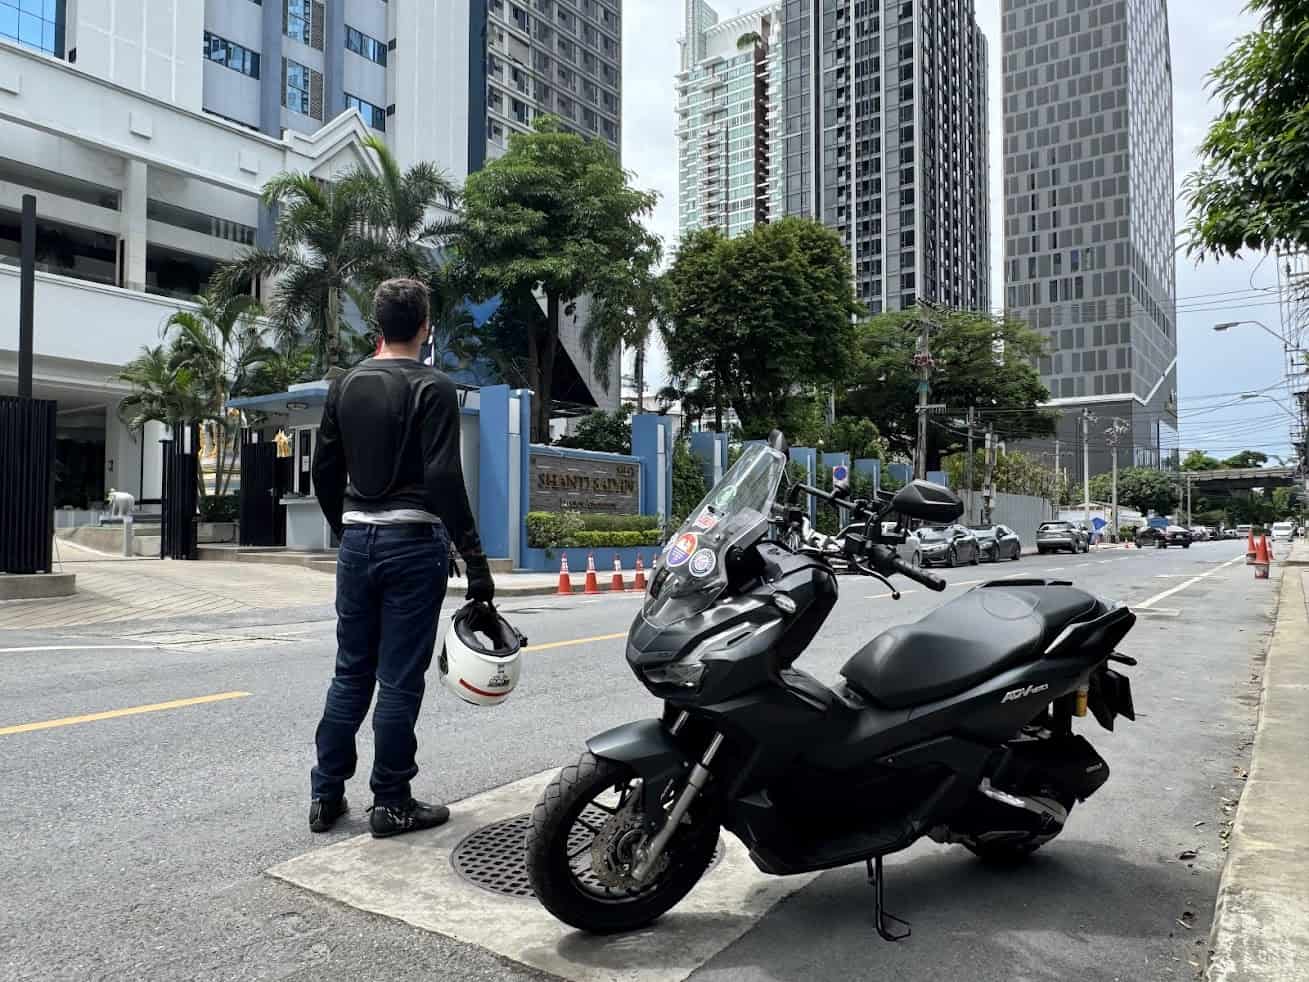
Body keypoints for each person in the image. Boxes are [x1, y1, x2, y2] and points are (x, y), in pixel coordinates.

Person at [307, 277, 494, 837]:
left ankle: (325, 795)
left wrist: (344, 527)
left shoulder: (345, 384)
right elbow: (443, 476)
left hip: (357, 544)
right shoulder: (433, 387)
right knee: (398, 680)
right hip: (413, 545)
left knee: (350, 673)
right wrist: (475, 558)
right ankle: (390, 802)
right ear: (425, 327)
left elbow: (323, 470)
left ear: (378, 326)